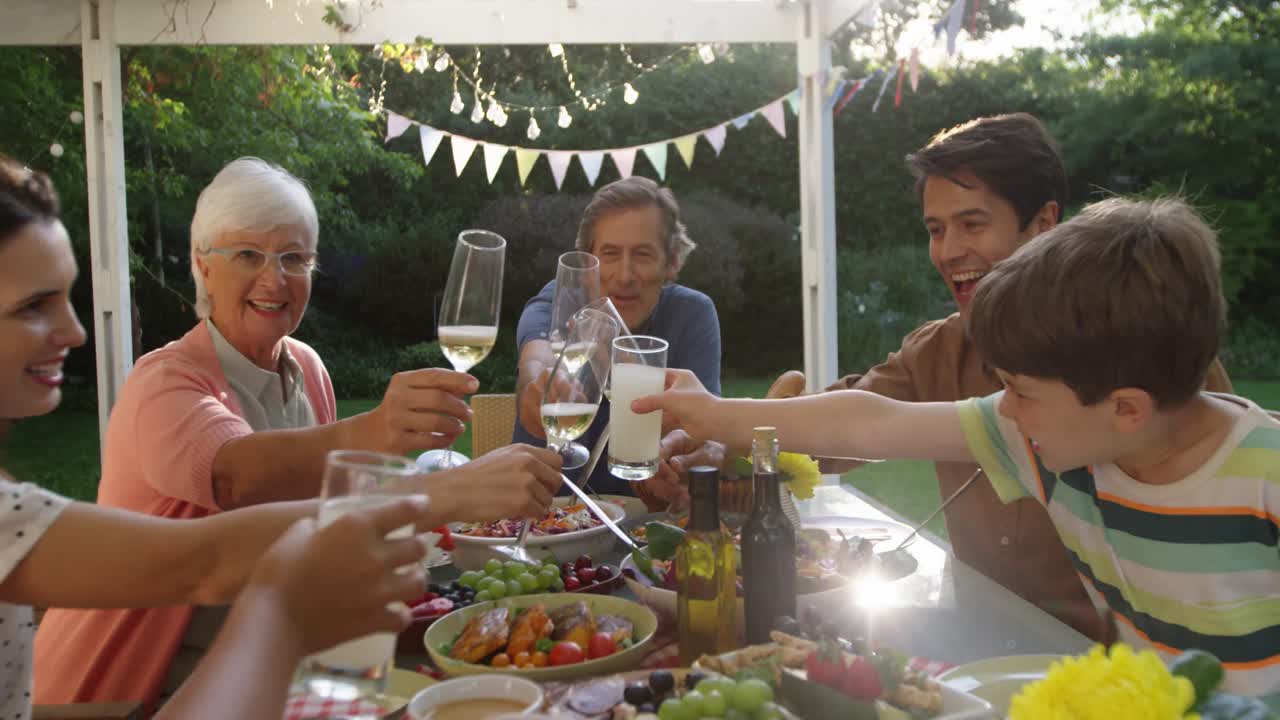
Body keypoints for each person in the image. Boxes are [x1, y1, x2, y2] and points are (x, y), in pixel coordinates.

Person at [638, 197, 1280, 704]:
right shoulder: (1044, 437)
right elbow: (872, 423)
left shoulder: (1264, 474)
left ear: (1127, 408)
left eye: (1020, 390)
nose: (1002, 407)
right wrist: (719, 414)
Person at [34, 157, 564, 706]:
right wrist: (399, 448)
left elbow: (324, 517)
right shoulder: (162, 382)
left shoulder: (307, 368)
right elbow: (238, 478)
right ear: (203, 265)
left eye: (293, 257)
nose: (274, 278)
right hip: (131, 691)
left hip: (261, 667)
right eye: (247, 254)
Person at [819, 113, 1230, 641]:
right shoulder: (937, 350)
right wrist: (722, 450)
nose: (946, 252)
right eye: (936, 230)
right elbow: (840, 429)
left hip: (1119, 677)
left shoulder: (1147, 353)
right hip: (978, 654)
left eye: (972, 224)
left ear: (1043, 224)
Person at [512, 176, 723, 509]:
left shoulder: (691, 315)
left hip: (646, 528)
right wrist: (538, 386)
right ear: (586, 265)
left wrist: (687, 463)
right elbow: (535, 361)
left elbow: (706, 431)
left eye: (642, 254)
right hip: (546, 520)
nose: (625, 275)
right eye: (610, 254)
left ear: (671, 262)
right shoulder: (559, 304)